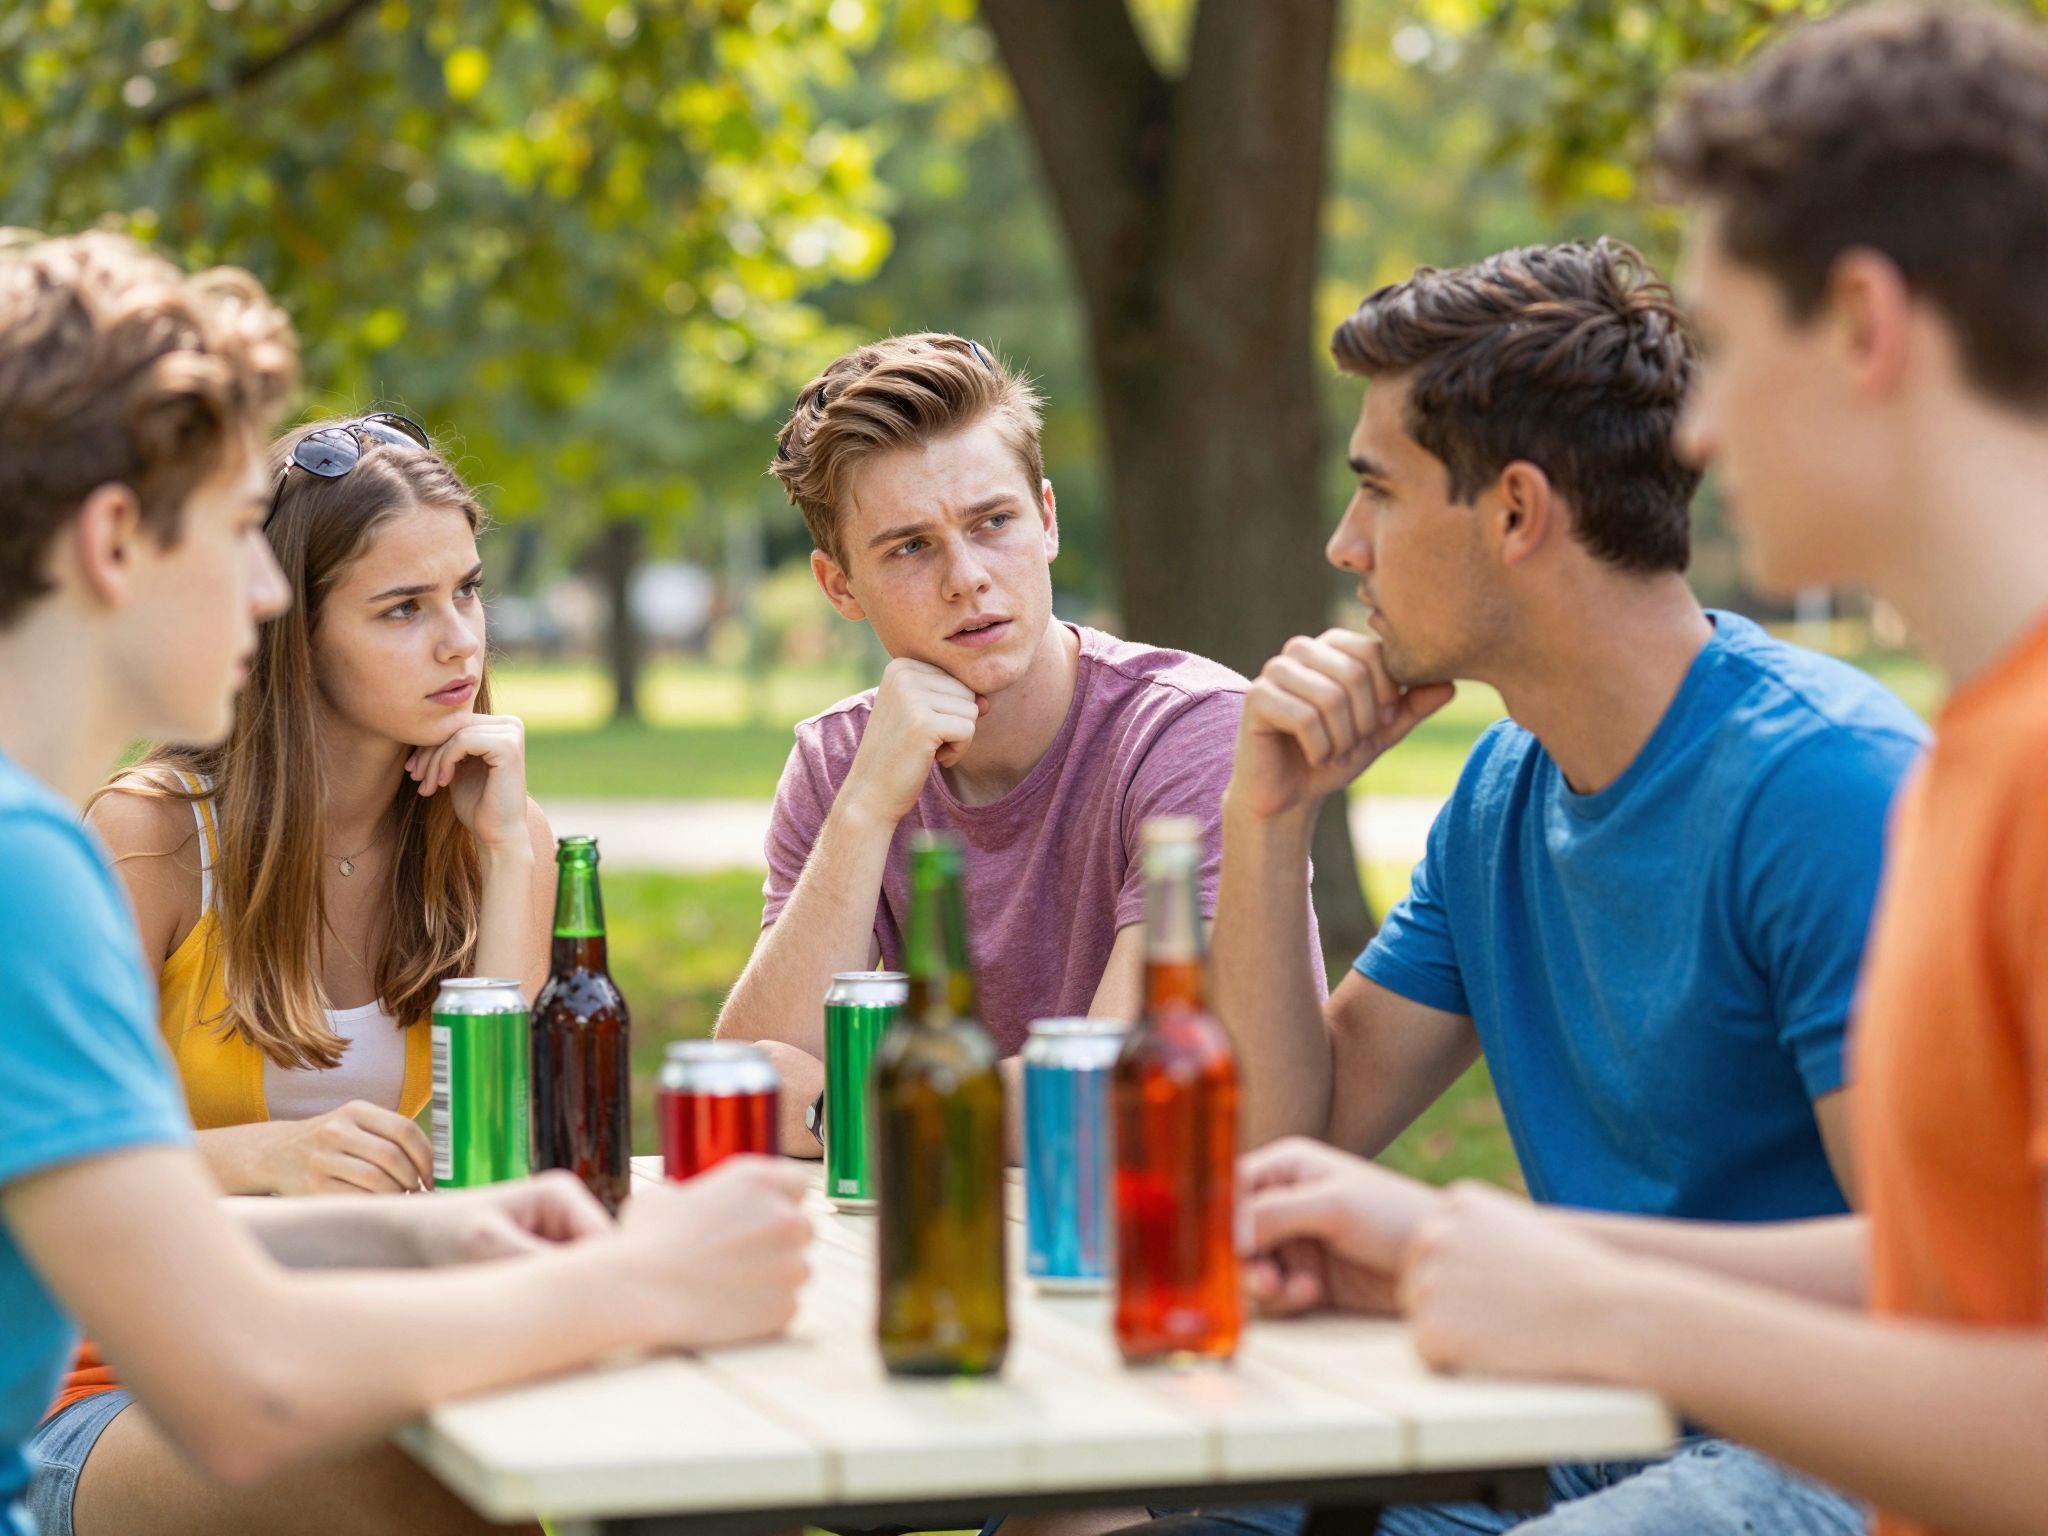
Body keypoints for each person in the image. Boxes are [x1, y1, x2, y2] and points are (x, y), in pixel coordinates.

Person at [1290, 6, 2048, 1536]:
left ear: (1861, 323)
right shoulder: (1983, 758)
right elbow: (1949, 1273)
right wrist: (1497, 1259)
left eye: (1732, 342)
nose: (1695, 427)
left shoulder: (1904, 778)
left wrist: (1598, 1303)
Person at [0, 227, 811, 1536]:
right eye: (231, 533)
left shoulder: (23, 849)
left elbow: (199, 1238)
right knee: (453, 1476)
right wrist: (647, 1282)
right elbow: (238, 1381)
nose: (261, 587)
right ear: (111, 542)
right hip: (92, 1431)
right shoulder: (46, 864)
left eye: (467, 593)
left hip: (276, 1341)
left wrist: (442, 1241)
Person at [1187, 238, 1925, 1533]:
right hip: (1597, 1430)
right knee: (1177, 1511)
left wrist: (1505, 1262)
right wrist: (1270, 825)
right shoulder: (1503, 792)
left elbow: (1943, 1279)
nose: (1344, 544)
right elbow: (1280, 1153)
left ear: (1518, 511)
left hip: (1837, 1453)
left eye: (1378, 492)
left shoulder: (1826, 789)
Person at [29, 413, 559, 1536]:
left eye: (466, 592)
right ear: (292, 630)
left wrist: (512, 859)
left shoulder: (498, 838)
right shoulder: (155, 839)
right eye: (401, 610)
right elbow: (43, 1169)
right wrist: (272, 1155)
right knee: (443, 1496)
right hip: (116, 1391)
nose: (459, 642)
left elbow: (491, 1154)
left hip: (373, 1348)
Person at [716, 332, 1316, 1156]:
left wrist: (845, 1113)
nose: (966, 576)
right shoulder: (840, 760)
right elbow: (746, 1091)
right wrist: (863, 810)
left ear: (1046, 520)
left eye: (992, 522)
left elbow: (1120, 1088)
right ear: (839, 586)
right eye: (911, 546)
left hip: (1183, 1242)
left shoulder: (1193, 730)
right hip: (964, 1232)